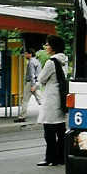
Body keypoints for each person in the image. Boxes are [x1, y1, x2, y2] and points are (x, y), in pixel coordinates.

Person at [37, 35, 68, 166]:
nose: (46, 47)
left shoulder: (51, 62)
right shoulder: (65, 60)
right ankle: (61, 156)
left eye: (48, 45)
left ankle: (50, 158)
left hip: (50, 98)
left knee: (49, 131)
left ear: (54, 47)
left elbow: (41, 79)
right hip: (60, 98)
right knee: (60, 130)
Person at [15, 48, 42, 122]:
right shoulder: (37, 61)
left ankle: (22, 117)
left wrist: (33, 86)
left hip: (30, 83)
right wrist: (36, 84)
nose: (25, 55)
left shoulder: (31, 62)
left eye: (26, 53)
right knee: (40, 100)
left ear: (30, 54)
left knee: (25, 100)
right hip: (37, 82)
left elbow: (32, 75)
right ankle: (48, 114)